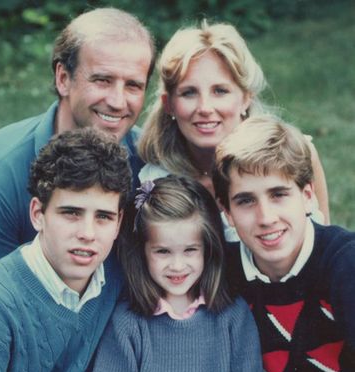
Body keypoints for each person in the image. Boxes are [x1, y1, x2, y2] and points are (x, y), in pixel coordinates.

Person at [0, 7, 155, 288]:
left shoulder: (149, 163)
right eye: (102, 80)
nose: (117, 101)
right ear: (63, 78)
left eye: (133, 85)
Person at [0, 127, 132, 372]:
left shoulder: (118, 278)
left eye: (103, 217)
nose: (87, 234)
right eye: (71, 213)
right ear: (38, 213)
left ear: (119, 222)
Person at [137, 20, 329, 241]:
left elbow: (325, 242)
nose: (205, 108)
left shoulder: (297, 156)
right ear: (168, 103)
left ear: (246, 98)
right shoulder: (153, 181)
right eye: (189, 92)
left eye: (220, 91)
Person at [212, 115, 355, 372]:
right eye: (246, 201)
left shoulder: (344, 262)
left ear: (307, 195)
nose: (266, 218)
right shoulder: (223, 272)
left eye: (278, 194)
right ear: (226, 211)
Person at [91, 176, 263, 372]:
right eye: (163, 251)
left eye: (190, 250)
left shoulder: (233, 316)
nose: (177, 265)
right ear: (143, 252)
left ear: (207, 250)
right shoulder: (128, 322)